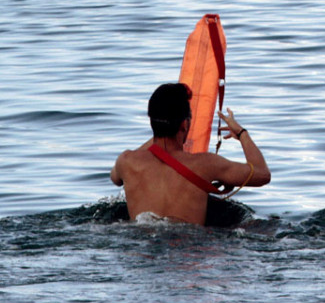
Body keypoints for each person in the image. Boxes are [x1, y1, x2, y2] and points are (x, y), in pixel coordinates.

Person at [111, 83, 271, 225]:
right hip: (187, 249)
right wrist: (242, 133)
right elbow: (262, 174)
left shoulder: (126, 161)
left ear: (151, 120)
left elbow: (115, 179)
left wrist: (160, 127)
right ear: (184, 123)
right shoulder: (206, 164)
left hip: (141, 248)